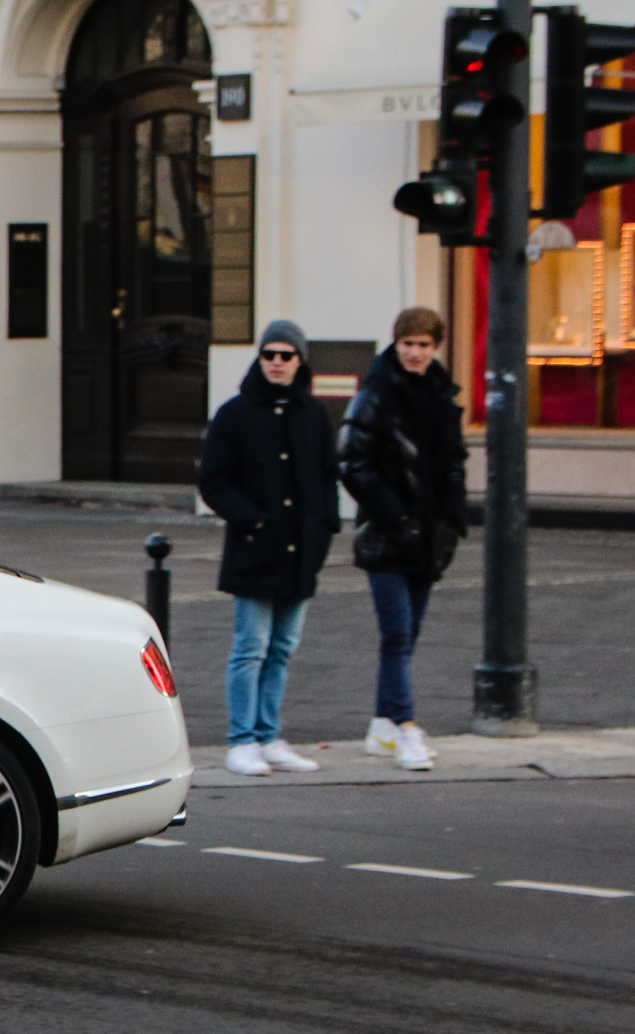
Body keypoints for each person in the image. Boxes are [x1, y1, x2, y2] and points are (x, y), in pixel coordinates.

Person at [196, 320, 340, 776]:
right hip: (256, 549)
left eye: (286, 355)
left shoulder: (313, 414)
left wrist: (324, 528)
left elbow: (325, 477)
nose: (277, 363)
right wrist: (252, 518)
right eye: (269, 355)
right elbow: (213, 482)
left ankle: (269, 734)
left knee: (282, 647)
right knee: (250, 646)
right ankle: (242, 739)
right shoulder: (235, 413)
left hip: (301, 550)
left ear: (300, 361)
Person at [339, 306, 467, 772]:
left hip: (430, 537)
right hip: (387, 537)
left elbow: (453, 461)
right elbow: (352, 461)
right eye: (408, 344)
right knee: (395, 634)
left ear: (436, 348)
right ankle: (407, 727)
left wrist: (453, 518)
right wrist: (393, 514)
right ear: (395, 344)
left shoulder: (441, 394)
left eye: (424, 345)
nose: (415, 353)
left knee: (406, 636)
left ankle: (382, 726)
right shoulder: (375, 394)